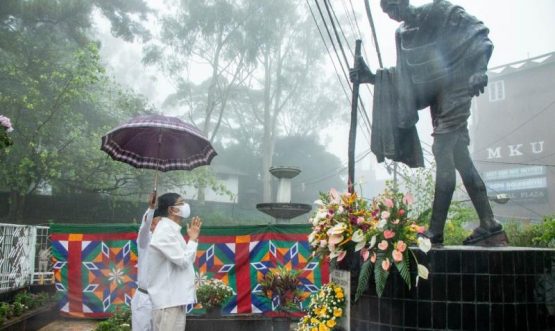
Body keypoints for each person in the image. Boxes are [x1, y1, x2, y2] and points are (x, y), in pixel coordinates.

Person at [350, 0, 506, 245]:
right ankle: (490, 223)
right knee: (461, 159)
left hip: (458, 87)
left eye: (393, 7)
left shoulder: (440, 11)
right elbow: (404, 77)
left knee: (442, 150)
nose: (392, 15)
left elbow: (479, 36)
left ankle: (435, 231)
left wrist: (480, 70)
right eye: (387, 12)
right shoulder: (401, 34)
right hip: (438, 100)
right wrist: (372, 77)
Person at [145, 193, 201, 331]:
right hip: (167, 300)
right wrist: (192, 240)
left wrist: (192, 239)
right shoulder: (164, 231)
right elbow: (183, 261)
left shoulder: (172, 230)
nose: (186, 205)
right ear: (171, 210)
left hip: (175, 299)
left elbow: (188, 260)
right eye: (181, 203)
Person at [131, 192, 161, 331]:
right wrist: (151, 208)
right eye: (153, 224)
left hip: (161, 300)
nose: (156, 227)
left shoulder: (168, 244)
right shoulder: (144, 242)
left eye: (159, 224)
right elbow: (143, 229)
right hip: (143, 299)